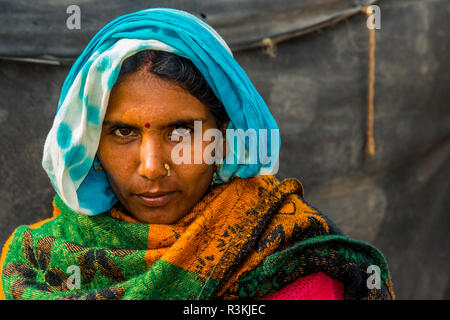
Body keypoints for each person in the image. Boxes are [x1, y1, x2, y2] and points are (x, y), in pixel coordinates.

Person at [0, 8, 394, 300]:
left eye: (182, 131)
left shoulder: (293, 265)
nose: (152, 167)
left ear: (223, 135)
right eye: (123, 132)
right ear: (90, 144)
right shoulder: (36, 260)